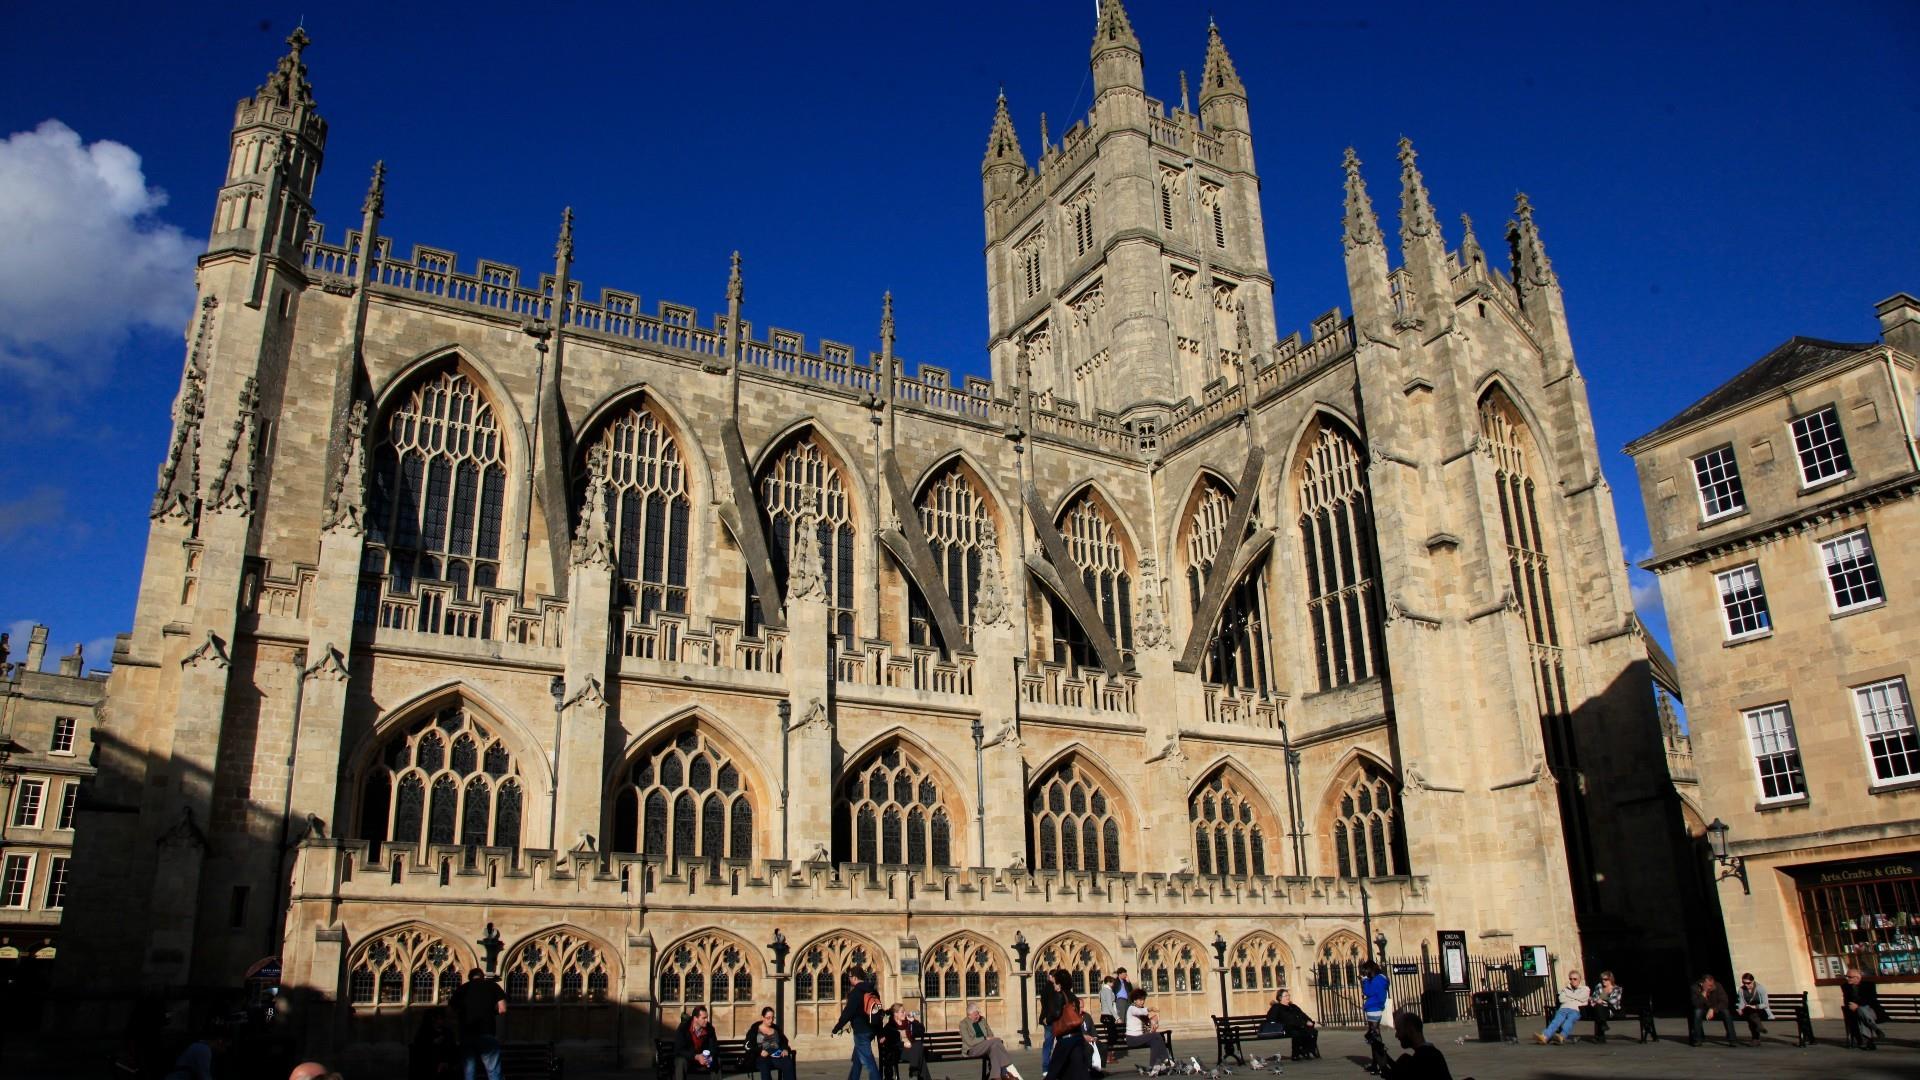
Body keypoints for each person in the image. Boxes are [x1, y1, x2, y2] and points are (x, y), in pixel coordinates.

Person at [448, 968, 507, 1080]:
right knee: (494, 1072)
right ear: (482, 976)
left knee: (469, 1073)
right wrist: (490, 1012)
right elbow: (502, 1009)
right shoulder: (493, 986)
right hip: (487, 1032)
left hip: (466, 1034)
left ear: (469, 977)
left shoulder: (462, 989)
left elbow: (449, 1012)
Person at [833, 965, 882, 1080]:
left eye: (849, 977)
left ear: (855, 978)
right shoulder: (873, 990)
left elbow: (847, 1013)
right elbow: (878, 1011)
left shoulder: (856, 992)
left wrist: (837, 1028)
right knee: (857, 1059)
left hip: (861, 1031)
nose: (849, 979)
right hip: (872, 1029)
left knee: (868, 1061)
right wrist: (880, 1031)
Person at [959, 1002, 1023, 1080]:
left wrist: (988, 1039)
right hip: (972, 1049)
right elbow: (970, 1042)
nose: (978, 1016)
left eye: (978, 1014)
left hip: (987, 1047)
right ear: (969, 1015)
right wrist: (985, 1039)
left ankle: (995, 1077)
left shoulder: (982, 1020)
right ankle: (1005, 1071)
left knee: (995, 1047)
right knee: (996, 1041)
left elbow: (991, 1034)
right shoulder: (963, 1024)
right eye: (976, 1015)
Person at [1383, 1011, 1452, 1079]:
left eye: (1399, 1030)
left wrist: (1383, 1067)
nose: (1396, 1035)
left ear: (1411, 1030)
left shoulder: (1423, 1057)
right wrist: (1385, 1058)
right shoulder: (1431, 1053)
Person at [1258, 988, 1320, 1060]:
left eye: (1288, 995)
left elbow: (1303, 1015)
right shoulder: (1277, 1007)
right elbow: (1271, 1018)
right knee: (1296, 1033)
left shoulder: (1293, 1006)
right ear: (1280, 997)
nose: (1288, 997)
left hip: (1299, 1025)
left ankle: (1307, 1050)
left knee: (1313, 1031)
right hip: (1286, 1028)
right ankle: (1295, 1054)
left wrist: (1309, 1021)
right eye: (1286, 996)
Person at [1534, 968, 1590, 1045]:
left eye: (1575, 979)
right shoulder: (1565, 989)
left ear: (1580, 979)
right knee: (1555, 1022)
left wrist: (1569, 996)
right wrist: (1575, 997)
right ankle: (1545, 1037)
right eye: (1570, 979)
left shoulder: (1585, 989)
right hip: (1563, 1008)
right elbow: (1561, 999)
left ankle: (1562, 1036)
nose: (1572, 980)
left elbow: (1583, 998)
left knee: (1569, 1021)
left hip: (1576, 1009)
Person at [1050, 992, 1096, 1080]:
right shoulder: (1066, 996)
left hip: (1069, 1039)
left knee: (1057, 1070)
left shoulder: (1061, 996)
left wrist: (1047, 1019)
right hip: (1071, 1038)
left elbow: (1055, 1014)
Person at [1124, 986, 1171, 1068]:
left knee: (1155, 1041)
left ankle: (1153, 1065)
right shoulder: (1131, 1008)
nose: (1142, 1002)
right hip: (1132, 1039)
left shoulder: (1141, 1010)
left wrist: (1153, 1023)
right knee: (1156, 1035)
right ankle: (1166, 1060)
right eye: (1140, 1000)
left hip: (1140, 1038)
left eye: (1143, 999)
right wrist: (1151, 1008)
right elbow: (1139, 1011)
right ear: (1134, 1000)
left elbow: (1148, 1021)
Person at [410, 1008, 462, 1080]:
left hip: (446, 1064)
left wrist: (447, 1062)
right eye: (439, 1019)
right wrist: (433, 1042)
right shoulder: (424, 1032)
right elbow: (419, 1048)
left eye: (442, 1018)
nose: (442, 1021)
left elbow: (452, 1048)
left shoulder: (448, 1032)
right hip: (430, 1065)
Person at [1688, 973, 1736, 1047]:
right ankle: (1697, 1039)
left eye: (1712, 984)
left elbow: (1724, 1001)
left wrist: (1713, 1009)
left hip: (1715, 1008)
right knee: (1697, 1012)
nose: (1711, 987)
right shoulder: (1694, 988)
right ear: (1702, 984)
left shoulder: (1718, 986)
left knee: (1726, 1012)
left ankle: (1732, 1039)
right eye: (1708, 985)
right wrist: (1703, 994)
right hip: (1702, 1009)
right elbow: (1696, 1004)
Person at [164, 1027, 231, 1080]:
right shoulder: (204, 1049)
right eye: (225, 1047)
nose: (224, 1051)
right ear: (220, 1041)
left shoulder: (199, 1046)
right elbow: (205, 1075)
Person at [1841, 967, 1884, 1050]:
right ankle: (1875, 1029)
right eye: (1846, 976)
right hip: (1856, 1011)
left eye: (1849, 977)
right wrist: (1852, 1006)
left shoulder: (1869, 985)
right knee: (1861, 1012)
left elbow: (1871, 999)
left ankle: (1869, 1042)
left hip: (1871, 1010)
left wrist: (1857, 1005)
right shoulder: (1845, 986)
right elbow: (1846, 1000)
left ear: (1857, 977)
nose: (1847, 979)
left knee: (1861, 1010)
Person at [1359, 961, 1390, 1074]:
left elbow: (1368, 992)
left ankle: (1380, 1064)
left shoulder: (1378, 979)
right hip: (1375, 1007)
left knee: (1375, 1037)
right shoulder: (1381, 978)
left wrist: (1365, 981)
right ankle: (1376, 1063)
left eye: (1366, 970)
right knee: (1374, 1037)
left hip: (1374, 1008)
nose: (1365, 973)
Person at [674, 1005, 718, 1080]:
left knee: (717, 1061)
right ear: (695, 1018)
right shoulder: (683, 1028)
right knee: (680, 1061)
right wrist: (696, 1056)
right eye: (703, 1018)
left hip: (703, 1059)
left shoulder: (710, 1029)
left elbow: (713, 1047)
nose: (706, 1020)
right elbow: (679, 1049)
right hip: (688, 1058)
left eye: (706, 1017)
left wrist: (709, 1057)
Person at [754, 1006, 798, 1080]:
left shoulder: (776, 1029)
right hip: (763, 1057)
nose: (771, 1020)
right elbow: (749, 1045)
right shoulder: (755, 1030)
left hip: (777, 1055)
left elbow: (784, 1041)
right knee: (764, 1066)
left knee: (787, 1062)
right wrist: (760, 1051)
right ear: (762, 1017)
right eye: (768, 1018)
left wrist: (785, 1049)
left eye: (772, 1018)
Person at [885, 1004, 926, 1080]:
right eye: (902, 1012)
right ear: (895, 1014)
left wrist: (914, 1021)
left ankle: (913, 1071)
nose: (905, 1013)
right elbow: (891, 1042)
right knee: (920, 1056)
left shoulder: (908, 1023)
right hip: (899, 1052)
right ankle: (915, 1072)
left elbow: (922, 1031)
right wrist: (903, 1044)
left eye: (904, 1011)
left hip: (912, 1049)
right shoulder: (890, 1026)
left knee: (918, 1044)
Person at [1038, 968, 1065, 1077]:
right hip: (1051, 1019)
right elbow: (1052, 1006)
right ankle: (1049, 1067)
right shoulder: (1052, 989)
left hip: (1049, 1019)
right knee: (1054, 1044)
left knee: (1048, 1044)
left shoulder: (1046, 988)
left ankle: (1047, 1068)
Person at [1582, 971, 1623, 1043]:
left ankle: (1600, 1037)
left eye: (1605, 979)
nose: (1603, 981)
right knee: (1598, 1008)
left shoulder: (1617, 989)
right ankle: (1603, 1024)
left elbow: (1613, 1001)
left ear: (1610, 979)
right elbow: (1592, 998)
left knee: (1598, 1008)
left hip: (1611, 1010)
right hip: (1599, 1009)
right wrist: (1598, 1001)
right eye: (1602, 979)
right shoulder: (1599, 987)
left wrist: (1601, 1001)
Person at [1734, 973, 1770, 1044]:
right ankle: (1759, 1027)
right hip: (1749, 1011)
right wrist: (1740, 1009)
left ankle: (1755, 1039)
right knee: (1750, 1012)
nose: (1746, 985)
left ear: (1753, 981)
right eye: (1744, 983)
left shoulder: (1760, 988)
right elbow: (1741, 1002)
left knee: (1751, 1015)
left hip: (1761, 1011)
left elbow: (1765, 1004)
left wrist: (1755, 1006)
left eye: (1748, 983)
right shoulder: (1741, 990)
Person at [1097, 976, 1122, 1058]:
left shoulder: (1103, 990)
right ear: (1109, 982)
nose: (1113, 984)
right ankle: (1108, 1055)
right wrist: (1117, 1018)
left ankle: (1110, 1055)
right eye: (1113, 982)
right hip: (1108, 1015)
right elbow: (1109, 1005)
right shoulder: (1107, 990)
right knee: (1112, 1036)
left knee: (1112, 1036)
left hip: (1105, 1015)